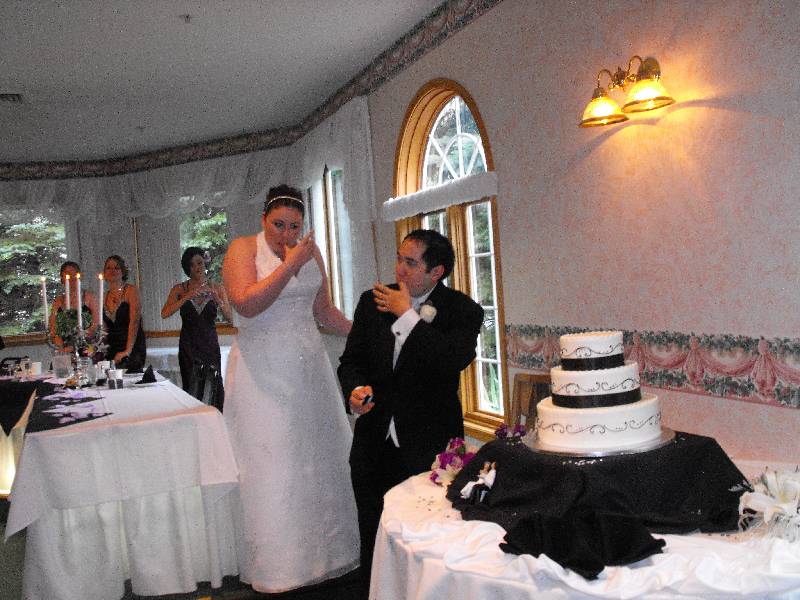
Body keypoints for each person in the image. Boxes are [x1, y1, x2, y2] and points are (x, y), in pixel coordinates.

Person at [222, 184, 359, 593]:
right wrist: (289, 265)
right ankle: (278, 566)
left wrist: (368, 332)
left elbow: (324, 312)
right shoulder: (243, 249)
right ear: (264, 219)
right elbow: (246, 304)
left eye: (295, 226)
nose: (286, 233)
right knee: (274, 461)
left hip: (308, 368)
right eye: (278, 224)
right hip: (262, 371)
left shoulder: (310, 252)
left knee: (318, 457)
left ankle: (327, 555)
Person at [337, 229, 484, 596]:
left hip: (429, 448)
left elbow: (449, 359)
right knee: (373, 535)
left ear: (437, 272)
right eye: (399, 258)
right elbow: (351, 361)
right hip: (373, 443)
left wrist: (406, 316)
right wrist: (354, 390)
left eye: (410, 262)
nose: (399, 269)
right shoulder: (371, 302)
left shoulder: (463, 311)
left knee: (426, 543)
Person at [161, 247, 232, 395]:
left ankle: (214, 410)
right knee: (191, 385)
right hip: (188, 345)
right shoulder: (179, 289)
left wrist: (218, 299)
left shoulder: (216, 287)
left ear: (205, 263)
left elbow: (230, 317)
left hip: (209, 343)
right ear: (187, 268)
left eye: (199, 263)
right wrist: (187, 296)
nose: (197, 268)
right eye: (192, 265)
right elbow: (165, 313)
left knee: (213, 386)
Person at [102, 255, 146, 371]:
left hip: (132, 345)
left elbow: (134, 321)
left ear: (123, 271)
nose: (112, 271)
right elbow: (104, 329)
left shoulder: (131, 291)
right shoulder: (104, 296)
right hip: (112, 347)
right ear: (104, 273)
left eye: (116, 268)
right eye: (108, 268)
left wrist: (128, 350)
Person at [49, 261, 100, 348]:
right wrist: (57, 339)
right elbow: (53, 326)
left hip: (86, 346)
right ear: (62, 278)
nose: (71, 276)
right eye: (67, 273)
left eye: (74, 273)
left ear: (79, 276)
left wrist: (79, 340)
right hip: (64, 347)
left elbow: (96, 323)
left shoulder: (89, 297)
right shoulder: (58, 301)